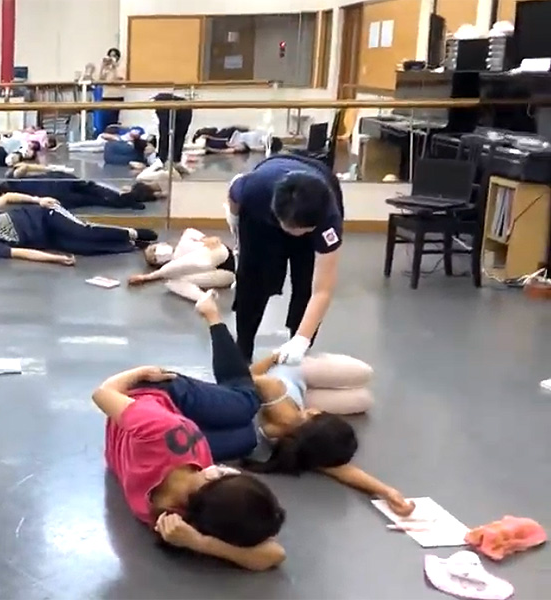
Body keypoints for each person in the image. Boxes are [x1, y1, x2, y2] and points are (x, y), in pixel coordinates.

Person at [174, 292, 415, 516]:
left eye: (317, 414)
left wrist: (385, 491)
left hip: (288, 379)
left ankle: (211, 312)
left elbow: (240, 379)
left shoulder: (283, 409)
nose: (316, 412)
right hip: (294, 369)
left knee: (363, 394)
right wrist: (387, 491)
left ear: (309, 418)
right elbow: (340, 469)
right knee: (363, 383)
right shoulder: (302, 441)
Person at [91, 356, 286, 571]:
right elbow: (274, 554)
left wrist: (141, 372)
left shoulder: (160, 428)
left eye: (225, 472)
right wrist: (200, 543)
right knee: (246, 433)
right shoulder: (180, 517)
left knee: (246, 404)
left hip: (151, 395)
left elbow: (103, 393)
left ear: (213, 475)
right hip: (164, 413)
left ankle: (240, 362)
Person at [227, 153, 344, 361]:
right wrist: (234, 222)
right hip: (263, 210)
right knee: (252, 278)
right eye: (291, 228)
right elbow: (233, 195)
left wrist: (302, 340)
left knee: (305, 282)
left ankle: (297, 347)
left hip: (317, 188)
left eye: (302, 230)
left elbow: (322, 290)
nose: (295, 234)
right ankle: (243, 347)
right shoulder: (253, 189)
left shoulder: (328, 218)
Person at [0, 193, 157, 264]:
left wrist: (38, 200)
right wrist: (56, 259)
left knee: (82, 232)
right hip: (49, 238)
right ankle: (131, 244)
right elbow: (27, 254)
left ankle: (131, 232)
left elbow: (6, 197)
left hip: (46, 215)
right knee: (85, 248)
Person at [127, 228, 236, 301]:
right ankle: (204, 298)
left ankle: (203, 296)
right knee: (173, 282)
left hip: (219, 254)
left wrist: (205, 238)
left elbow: (190, 231)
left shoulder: (185, 239)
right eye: (155, 258)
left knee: (185, 265)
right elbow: (174, 268)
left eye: (154, 249)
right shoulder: (173, 269)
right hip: (225, 275)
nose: (158, 254)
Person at [0, 163, 156, 211]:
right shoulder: (12, 180)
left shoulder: (19, 197)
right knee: (93, 188)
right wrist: (45, 168)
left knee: (94, 199)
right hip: (60, 180)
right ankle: (126, 197)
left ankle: (129, 201)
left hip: (58, 196)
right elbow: (24, 167)